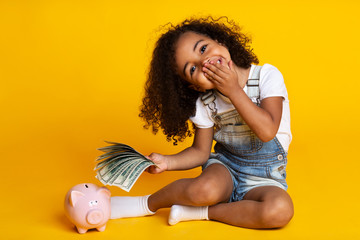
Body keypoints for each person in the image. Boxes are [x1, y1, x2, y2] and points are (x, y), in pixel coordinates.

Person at [111, 16, 294, 229]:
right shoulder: (205, 102)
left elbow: (267, 131)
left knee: (280, 210)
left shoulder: (266, 76)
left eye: (203, 48)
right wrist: (166, 162)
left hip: (266, 178)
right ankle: (146, 204)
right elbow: (200, 152)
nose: (204, 62)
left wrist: (233, 89)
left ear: (221, 42)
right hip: (226, 169)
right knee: (203, 190)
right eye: (192, 69)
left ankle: (201, 212)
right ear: (195, 87)